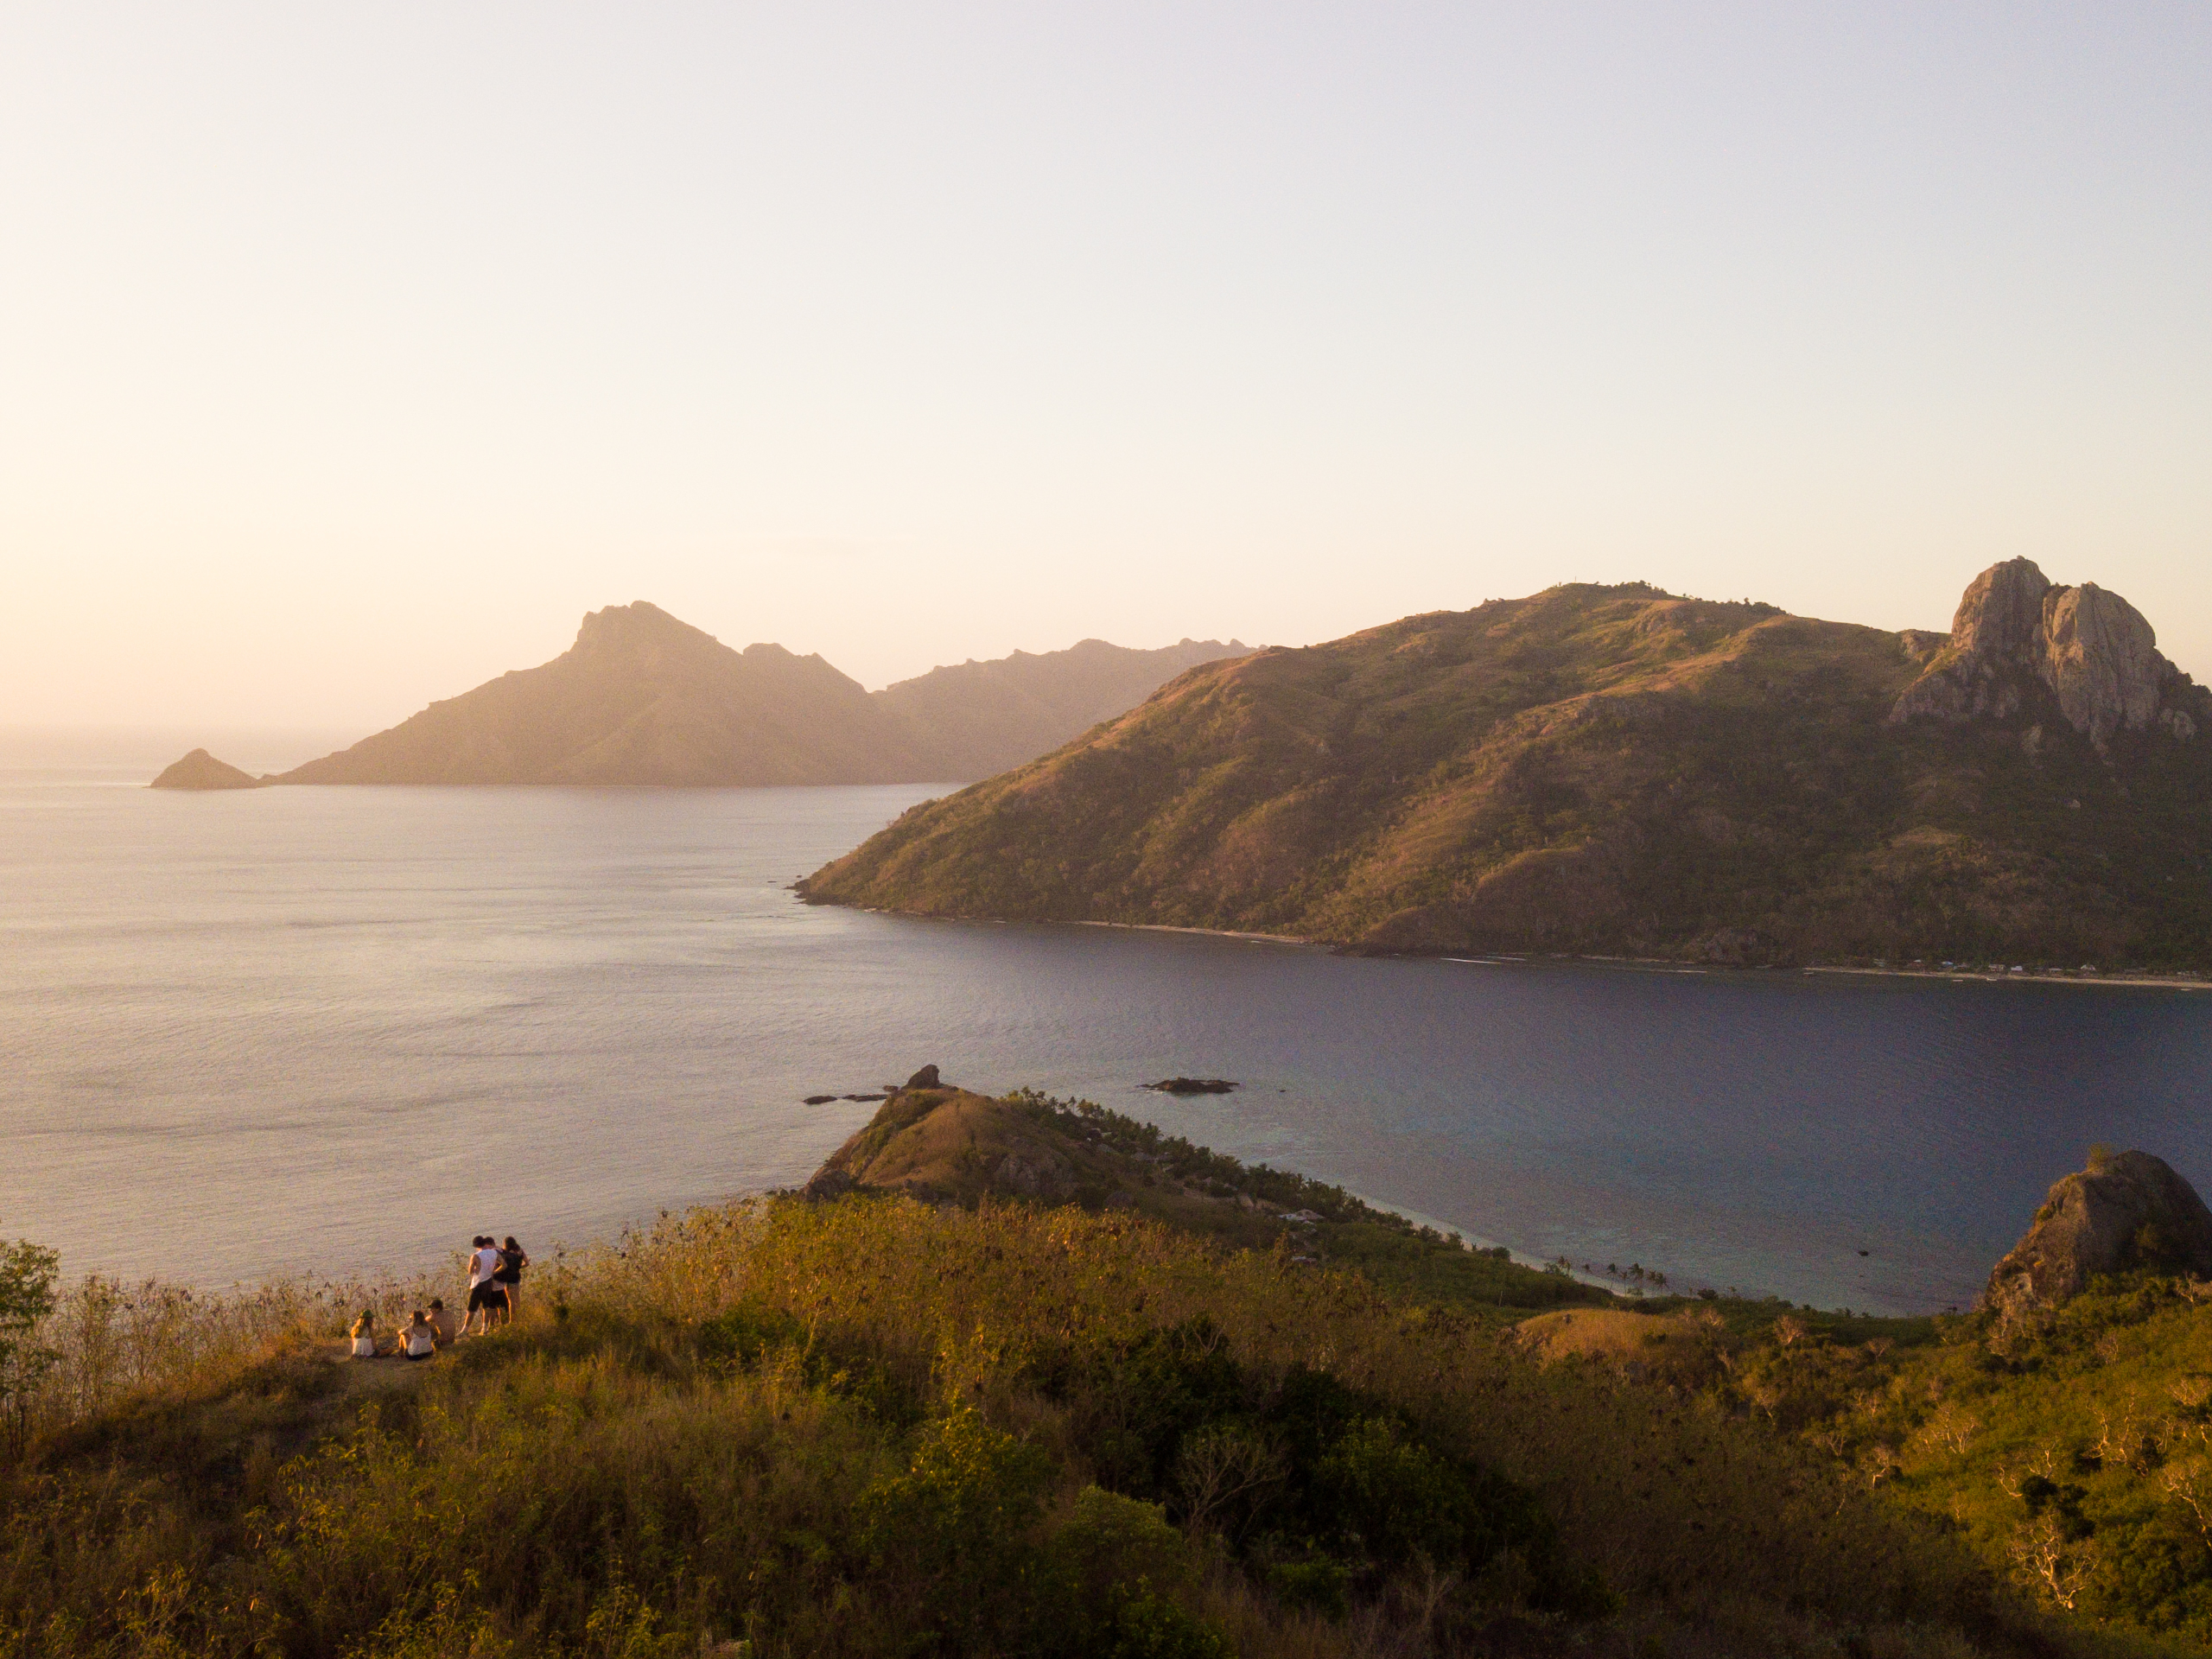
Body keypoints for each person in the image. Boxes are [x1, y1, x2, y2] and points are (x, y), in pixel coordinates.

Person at [461, 1235, 508, 1336]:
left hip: (478, 1284)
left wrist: (475, 1269)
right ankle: (484, 1328)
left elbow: (470, 1271)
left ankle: (465, 1330)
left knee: (471, 1309)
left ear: (476, 1246)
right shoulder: (494, 1252)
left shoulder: (476, 1256)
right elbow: (504, 1265)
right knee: (486, 1307)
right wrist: (493, 1272)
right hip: (489, 1282)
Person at [493, 1236, 528, 1325]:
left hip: (509, 1279)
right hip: (517, 1277)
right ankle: (521, 1318)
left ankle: (512, 1321)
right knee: (517, 1299)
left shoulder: (506, 1254)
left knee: (511, 1301)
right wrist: (518, 1267)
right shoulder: (520, 1251)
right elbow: (527, 1263)